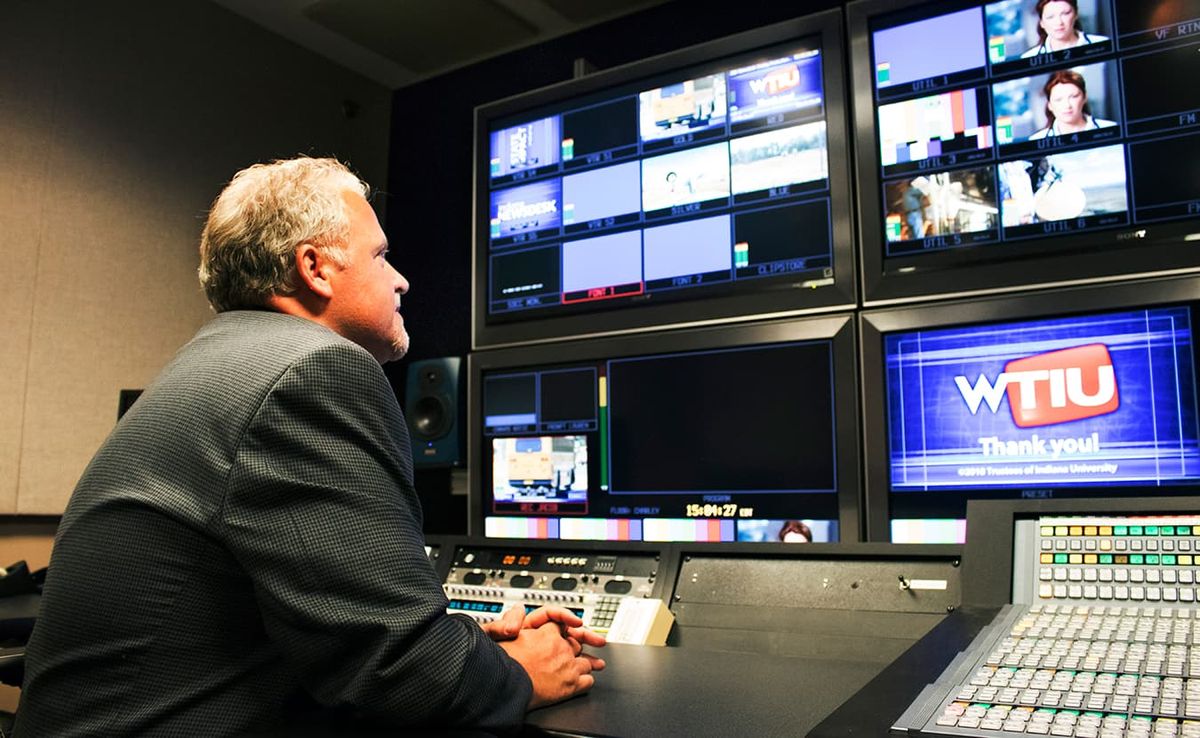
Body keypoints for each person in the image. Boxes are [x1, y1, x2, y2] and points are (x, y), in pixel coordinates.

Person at [15, 157, 605, 737]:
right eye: (380, 256)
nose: (401, 279)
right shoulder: (314, 371)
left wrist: (468, 646)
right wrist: (520, 672)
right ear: (316, 268)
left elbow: (323, 636)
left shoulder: (215, 364)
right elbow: (402, 674)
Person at [1028, 69, 1116, 139]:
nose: (1067, 105)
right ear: (1049, 105)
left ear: (1084, 97)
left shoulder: (1112, 128)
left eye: (1073, 96)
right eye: (1059, 99)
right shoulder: (1037, 140)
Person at [1021, 0, 1108, 57]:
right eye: (1050, 17)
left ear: (1076, 14)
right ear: (1042, 23)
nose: (1059, 22)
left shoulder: (1103, 44)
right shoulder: (1029, 57)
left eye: (1065, 13)